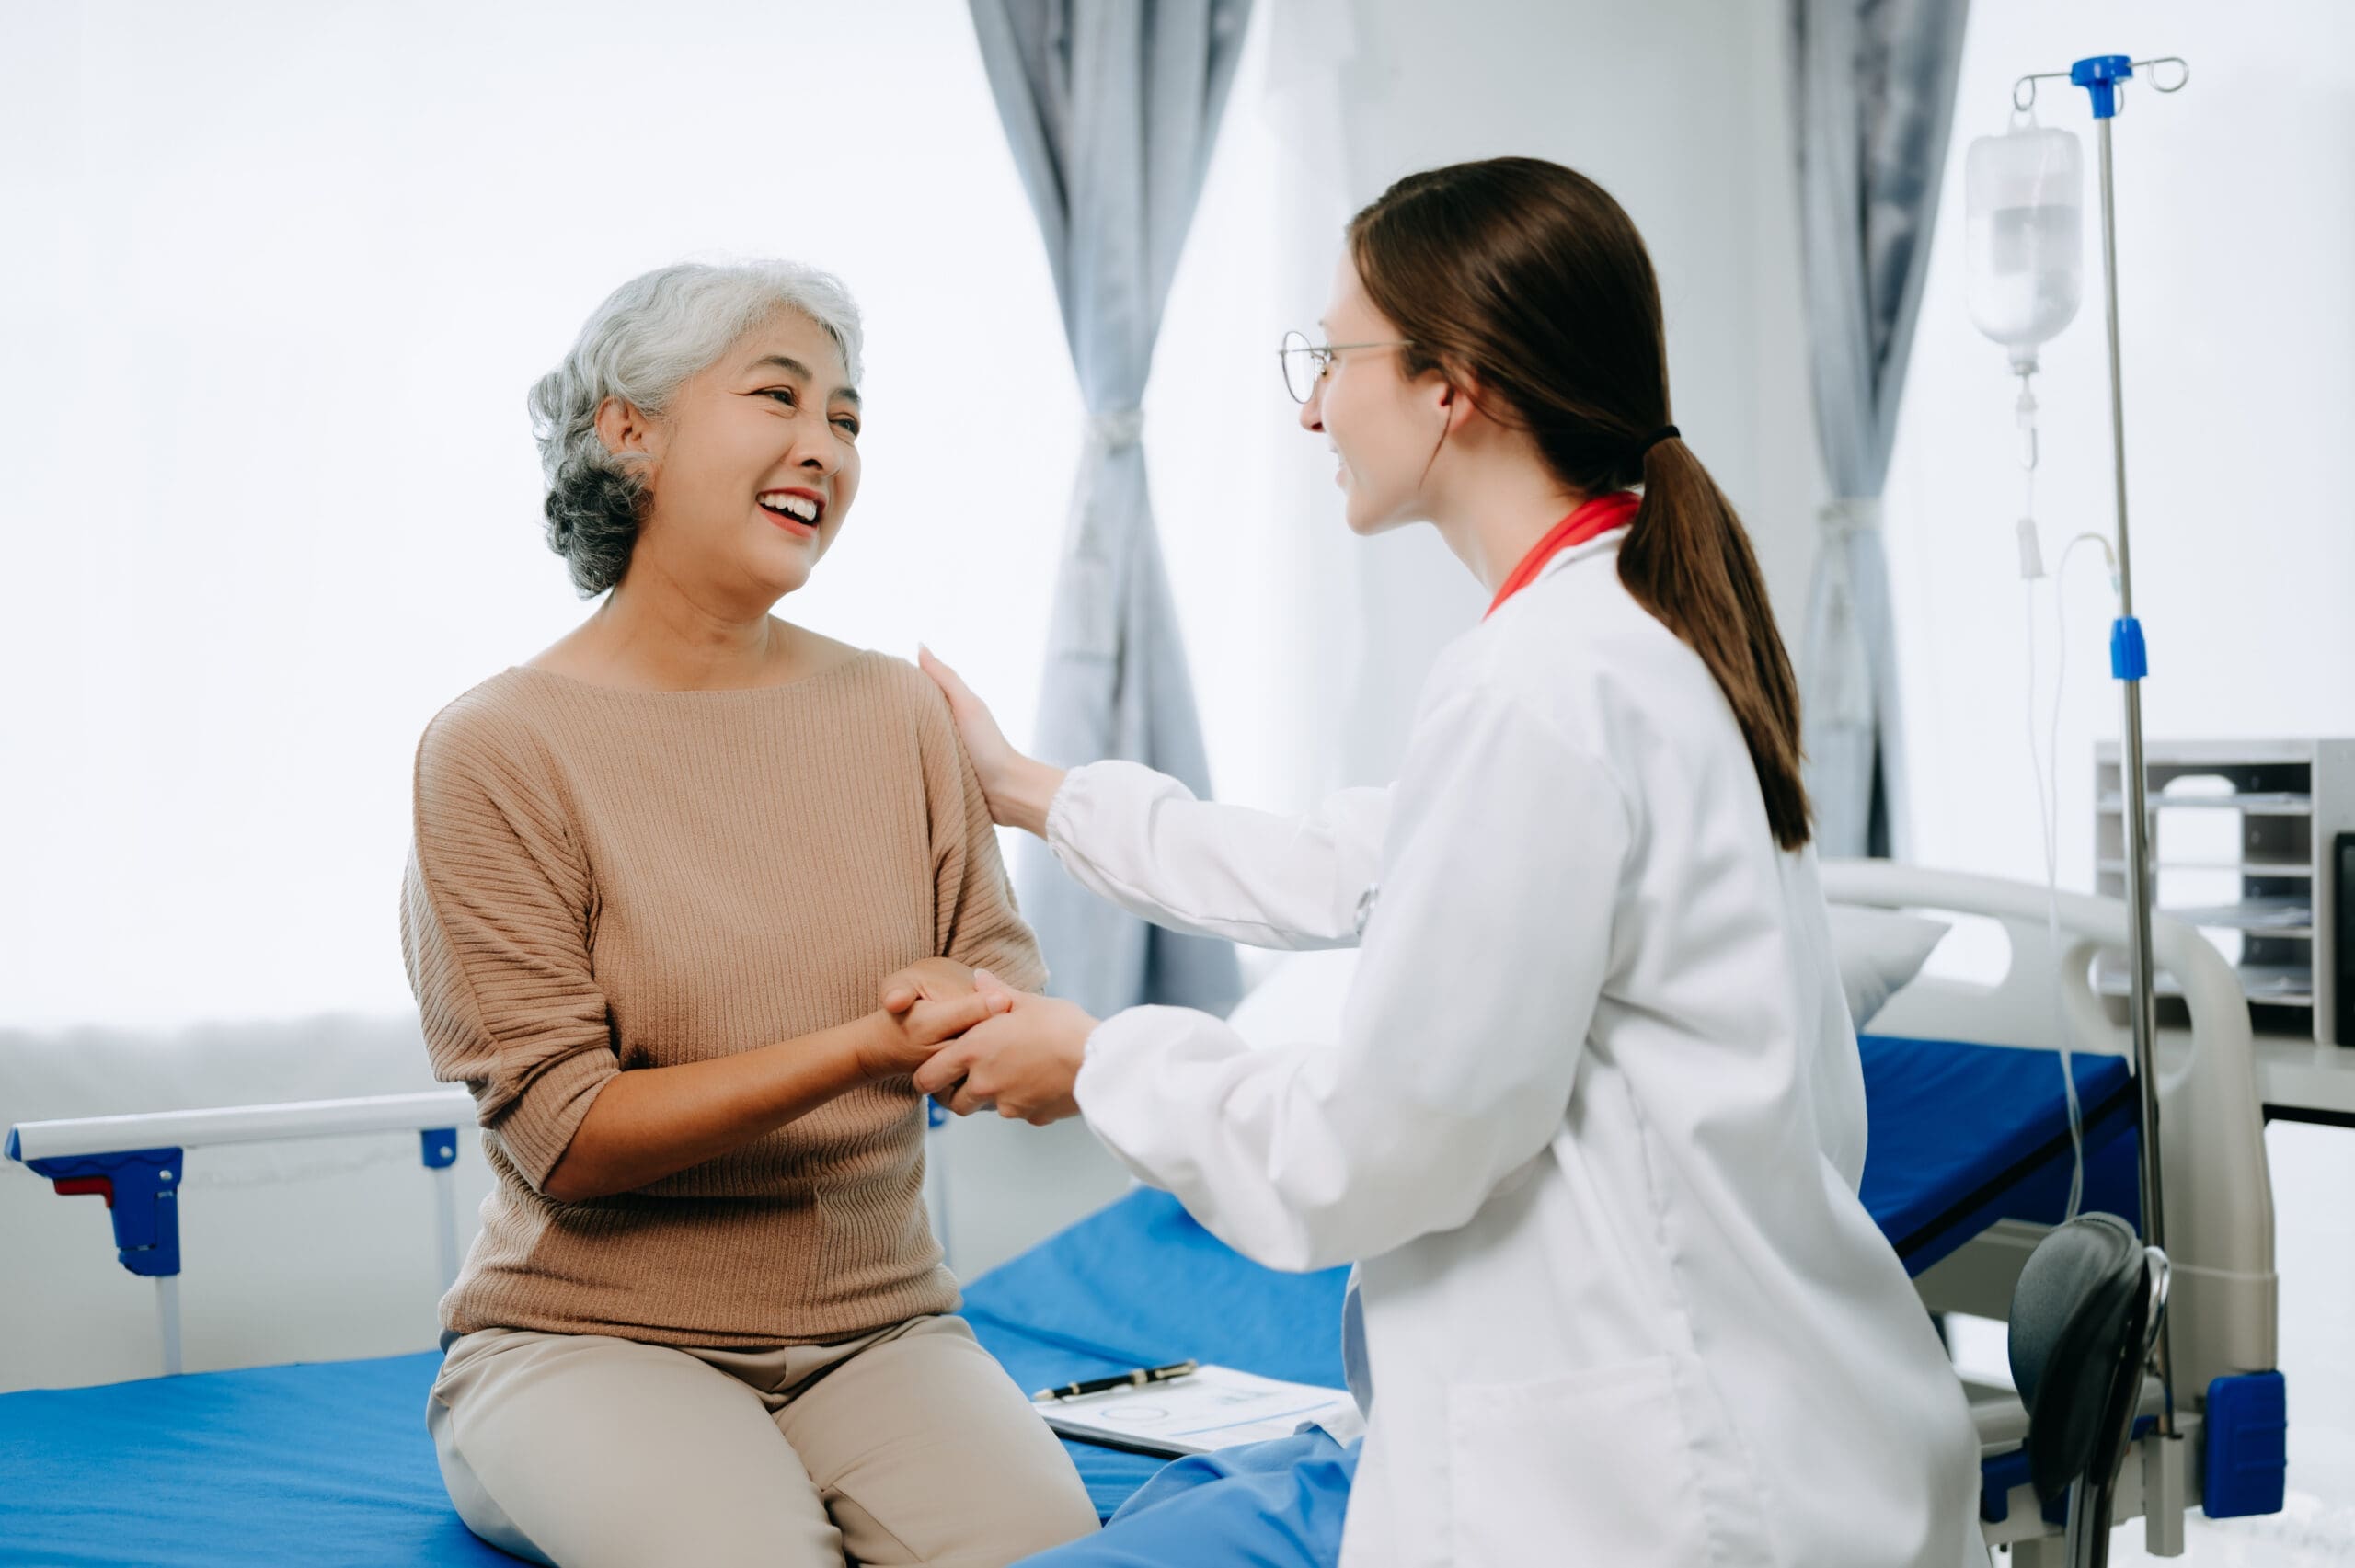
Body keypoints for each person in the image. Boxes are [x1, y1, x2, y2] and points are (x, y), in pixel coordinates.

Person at [909, 159, 1987, 1567]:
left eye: (1332, 356)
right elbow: (1347, 865)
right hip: (1756, 1430)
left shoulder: (1542, 686)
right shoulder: (1620, 636)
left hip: (1663, 1494)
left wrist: (1094, 1062)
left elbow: (1379, 1145)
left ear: (1449, 382)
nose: (1309, 407)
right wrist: (1030, 792)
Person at [400, 260, 1098, 1568]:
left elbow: (994, 970)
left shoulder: (897, 710)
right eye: (777, 396)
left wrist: (981, 1012)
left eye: (844, 418)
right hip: (587, 1340)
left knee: (1063, 1559)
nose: (820, 446)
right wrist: (859, 1044)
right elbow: (570, 1133)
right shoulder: (499, 748)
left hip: (885, 1328)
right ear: (630, 427)